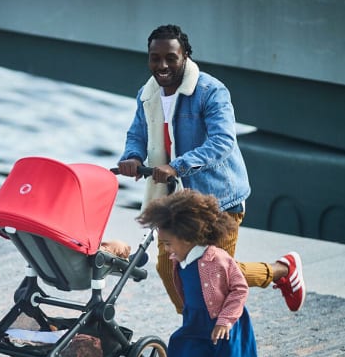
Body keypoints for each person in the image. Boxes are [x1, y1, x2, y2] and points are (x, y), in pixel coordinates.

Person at [117, 24, 305, 314]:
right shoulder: (148, 93)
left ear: (186, 56)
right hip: (174, 203)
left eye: (171, 57)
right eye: (155, 57)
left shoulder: (210, 91)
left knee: (214, 273)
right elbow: (138, 134)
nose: (162, 65)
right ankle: (198, 323)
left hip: (218, 201)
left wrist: (177, 166)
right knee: (170, 271)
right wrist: (131, 156)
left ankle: (281, 271)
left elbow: (222, 142)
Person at [137, 189, 296, 357]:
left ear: (187, 236)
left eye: (168, 243)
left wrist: (224, 320)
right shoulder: (180, 260)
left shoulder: (218, 258)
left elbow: (239, 289)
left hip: (224, 330)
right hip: (195, 329)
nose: (166, 250)